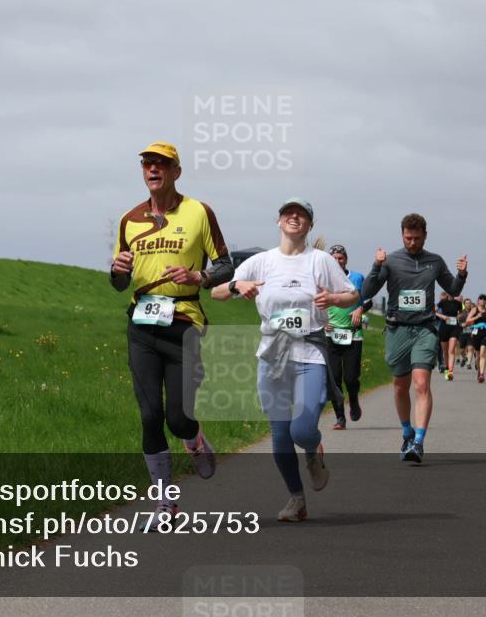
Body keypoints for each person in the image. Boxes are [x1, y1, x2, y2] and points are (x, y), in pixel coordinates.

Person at [212, 198, 358, 521]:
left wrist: (334, 298)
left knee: (302, 430)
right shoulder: (262, 261)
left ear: (309, 225)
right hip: (273, 355)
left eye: (302, 215)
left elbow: (353, 295)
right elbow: (217, 292)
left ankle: (312, 451)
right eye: (289, 213)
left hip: (310, 353)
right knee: (279, 437)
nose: (295, 217)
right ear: (279, 221)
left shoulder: (320, 261)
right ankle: (296, 499)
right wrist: (238, 285)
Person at [111, 142, 234, 521]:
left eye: (162, 164)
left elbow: (226, 265)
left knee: (178, 419)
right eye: (147, 163)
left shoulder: (199, 212)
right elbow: (118, 282)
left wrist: (200, 276)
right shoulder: (129, 219)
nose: (153, 169)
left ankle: (193, 439)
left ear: (176, 172)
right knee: (150, 416)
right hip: (142, 325)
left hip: (184, 323)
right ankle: (166, 503)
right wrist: (117, 270)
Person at [361, 213, 467, 463]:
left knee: (421, 384)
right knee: (400, 385)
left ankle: (418, 442)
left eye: (417, 238)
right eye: (408, 238)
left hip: (424, 329)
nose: (412, 243)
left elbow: (452, 289)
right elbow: (367, 292)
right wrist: (377, 266)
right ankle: (407, 431)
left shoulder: (435, 261)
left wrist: (462, 275)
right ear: (402, 235)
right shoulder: (391, 261)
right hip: (397, 329)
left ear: (425, 236)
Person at [324, 244, 371, 429]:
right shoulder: (322, 279)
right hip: (331, 334)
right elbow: (314, 303)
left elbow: (368, 301)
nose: (337, 261)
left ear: (346, 259)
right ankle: (340, 418)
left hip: (353, 334)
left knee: (351, 378)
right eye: (333, 258)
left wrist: (360, 308)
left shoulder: (357, 278)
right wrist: (321, 321)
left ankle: (353, 400)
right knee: (334, 378)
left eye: (340, 258)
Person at [464, 294, 486, 383]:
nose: (482, 300)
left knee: (482, 354)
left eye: (484, 299)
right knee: (478, 356)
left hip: (485, 333)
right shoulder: (474, 310)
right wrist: (477, 317)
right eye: (481, 299)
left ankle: (482, 374)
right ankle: (479, 371)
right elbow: (467, 320)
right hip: (476, 333)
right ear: (478, 301)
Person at [435, 292, 463, 381]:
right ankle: (447, 369)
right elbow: (434, 311)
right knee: (445, 351)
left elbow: (462, 312)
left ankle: (450, 372)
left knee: (451, 350)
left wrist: (459, 316)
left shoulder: (458, 303)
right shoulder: (442, 302)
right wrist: (442, 316)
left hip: (454, 327)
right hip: (444, 327)